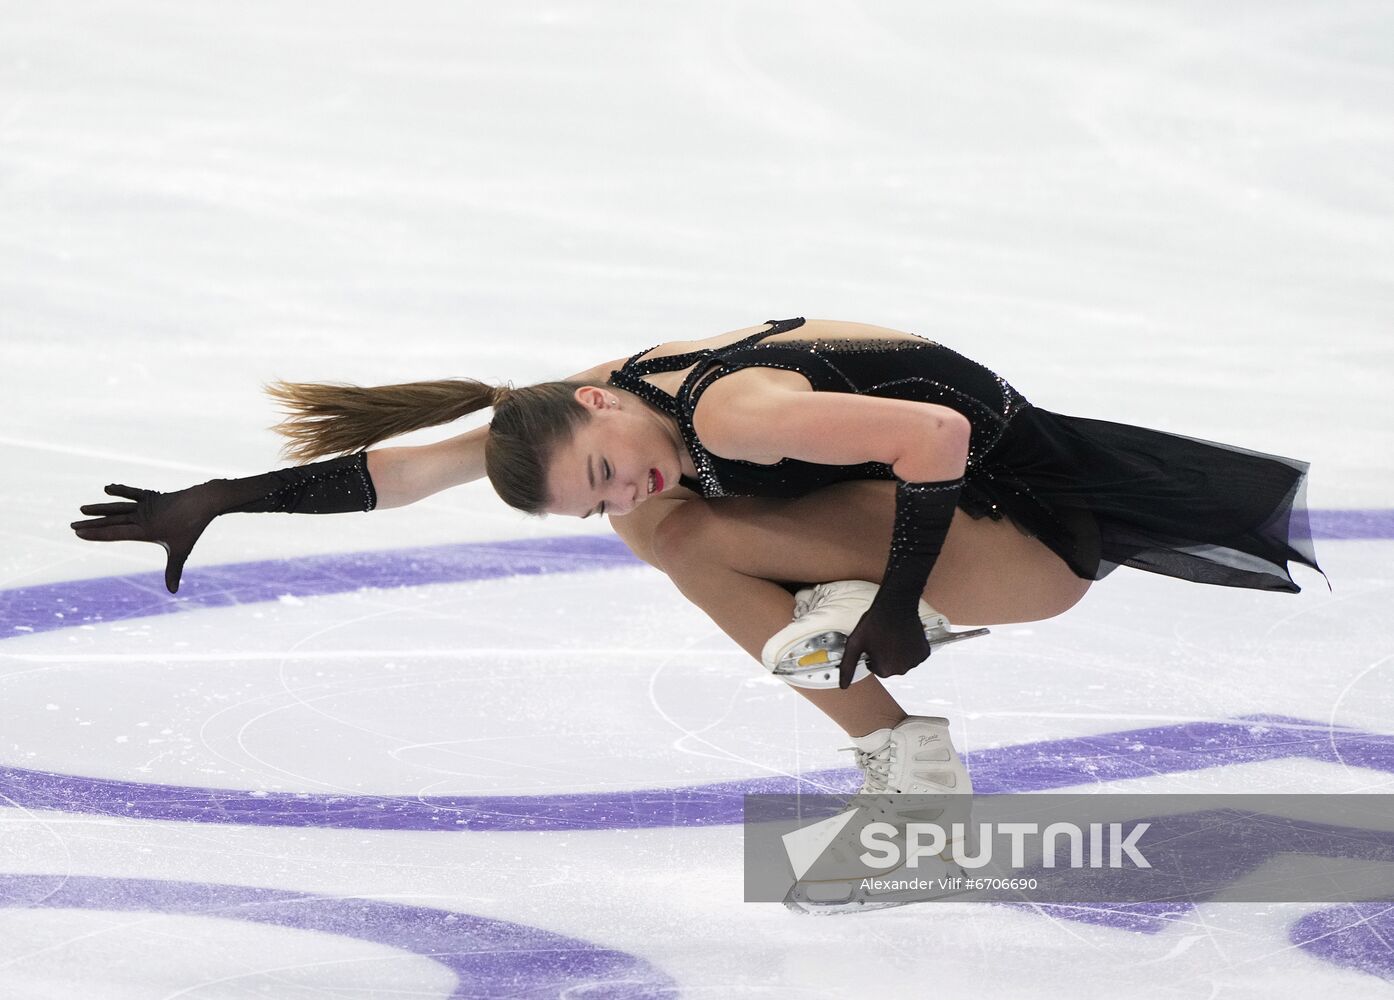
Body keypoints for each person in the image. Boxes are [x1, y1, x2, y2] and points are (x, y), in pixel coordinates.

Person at [70, 317, 1323, 832]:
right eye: (593, 494)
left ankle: (900, 738)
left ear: (606, 403)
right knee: (666, 534)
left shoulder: (731, 416)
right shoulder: (571, 411)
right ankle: (909, 772)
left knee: (681, 535)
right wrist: (229, 498)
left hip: (1022, 551)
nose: (618, 487)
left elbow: (934, 440)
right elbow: (403, 473)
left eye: (606, 467)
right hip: (955, 531)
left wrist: (895, 604)